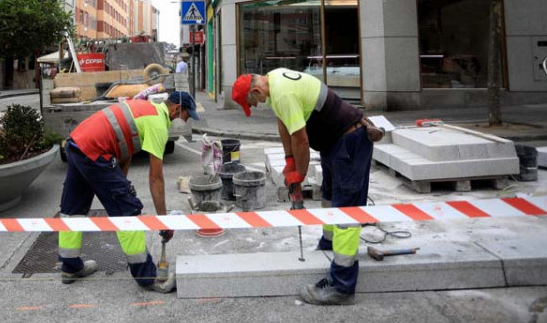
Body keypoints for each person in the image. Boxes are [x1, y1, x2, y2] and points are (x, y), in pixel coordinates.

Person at [231, 69, 383, 305]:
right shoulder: (275, 80)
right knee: (330, 200)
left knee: (346, 214)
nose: (260, 104)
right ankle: (329, 245)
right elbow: (284, 123)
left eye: (255, 101)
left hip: (350, 140)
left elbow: (301, 138)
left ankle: (342, 287)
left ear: (256, 90)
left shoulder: (282, 93)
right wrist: (289, 160)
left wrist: (298, 176)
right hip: (334, 142)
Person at [57, 91, 200, 293]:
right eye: (186, 116)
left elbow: (125, 149)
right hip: (94, 152)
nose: (184, 121)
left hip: (77, 145)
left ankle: (70, 267)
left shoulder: (143, 108)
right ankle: (148, 278)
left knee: (73, 208)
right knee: (128, 213)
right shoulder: (158, 123)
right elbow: (156, 178)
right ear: (177, 109)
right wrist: (163, 221)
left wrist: (119, 183)